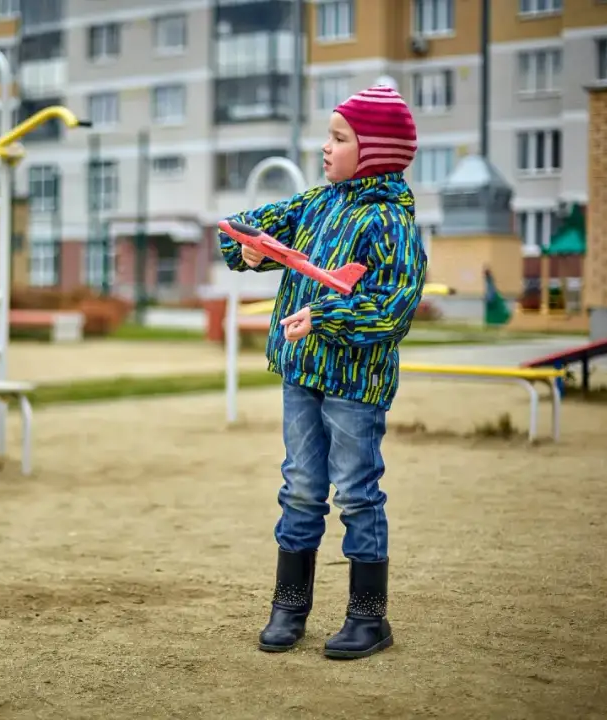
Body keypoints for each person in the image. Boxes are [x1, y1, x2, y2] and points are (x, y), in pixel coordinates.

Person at [218, 84, 427, 659]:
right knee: (301, 488)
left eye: (338, 139)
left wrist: (325, 316)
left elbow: (393, 307)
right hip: (301, 375)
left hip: (356, 387)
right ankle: (289, 606)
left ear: (376, 151)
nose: (324, 148)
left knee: (357, 493)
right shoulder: (315, 203)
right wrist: (249, 249)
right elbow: (239, 226)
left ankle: (368, 616)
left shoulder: (391, 222)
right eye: (327, 136)